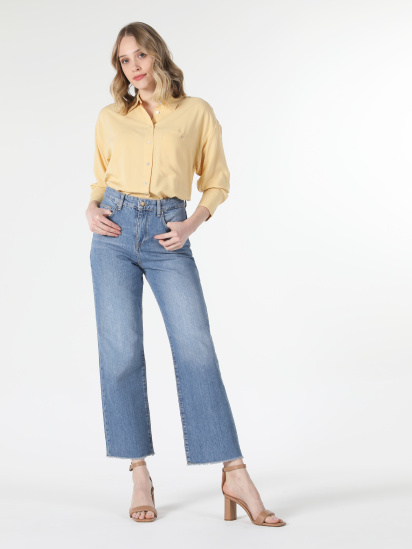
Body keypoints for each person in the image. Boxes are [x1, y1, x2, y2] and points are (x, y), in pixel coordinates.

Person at [85, 22, 286, 527]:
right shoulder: (111, 117)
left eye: (140, 55)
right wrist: (90, 209)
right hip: (112, 234)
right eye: (124, 60)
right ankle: (139, 473)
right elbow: (99, 180)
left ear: (157, 55)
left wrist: (191, 224)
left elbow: (216, 182)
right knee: (121, 353)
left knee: (195, 347)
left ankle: (234, 473)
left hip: (168, 232)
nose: (133, 66)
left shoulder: (196, 112)